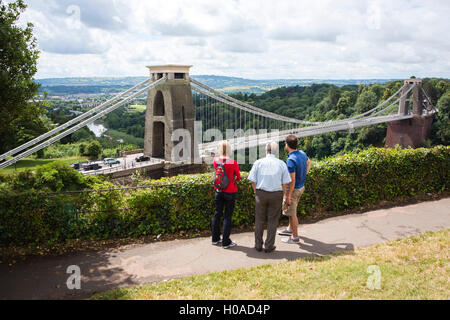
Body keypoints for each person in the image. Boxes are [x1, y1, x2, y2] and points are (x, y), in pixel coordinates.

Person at [248, 142, 292, 253]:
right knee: (273, 221)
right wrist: (284, 194)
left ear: (266, 151)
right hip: (276, 194)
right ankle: (269, 245)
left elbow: (253, 180)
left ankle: (258, 245)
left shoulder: (258, 162)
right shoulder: (281, 164)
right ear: (276, 152)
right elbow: (285, 182)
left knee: (259, 220)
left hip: (261, 193)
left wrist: (256, 191)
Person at [278, 135, 312, 243]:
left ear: (287, 145)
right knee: (292, 210)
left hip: (294, 190)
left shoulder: (290, 160)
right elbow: (309, 163)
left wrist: (288, 195)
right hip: (301, 187)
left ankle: (295, 237)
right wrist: (304, 174)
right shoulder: (302, 153)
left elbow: (291, 181)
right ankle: (289, 229)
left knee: (292, 214)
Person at [212, 141, 241, 249]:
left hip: (218, 191)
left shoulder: (215, 160)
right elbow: (238, 177)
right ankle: (226, 242)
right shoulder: (232, 162)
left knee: (217, 214)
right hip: (230, 192)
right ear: (229, 149)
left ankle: (215, 239)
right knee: (227, 217)